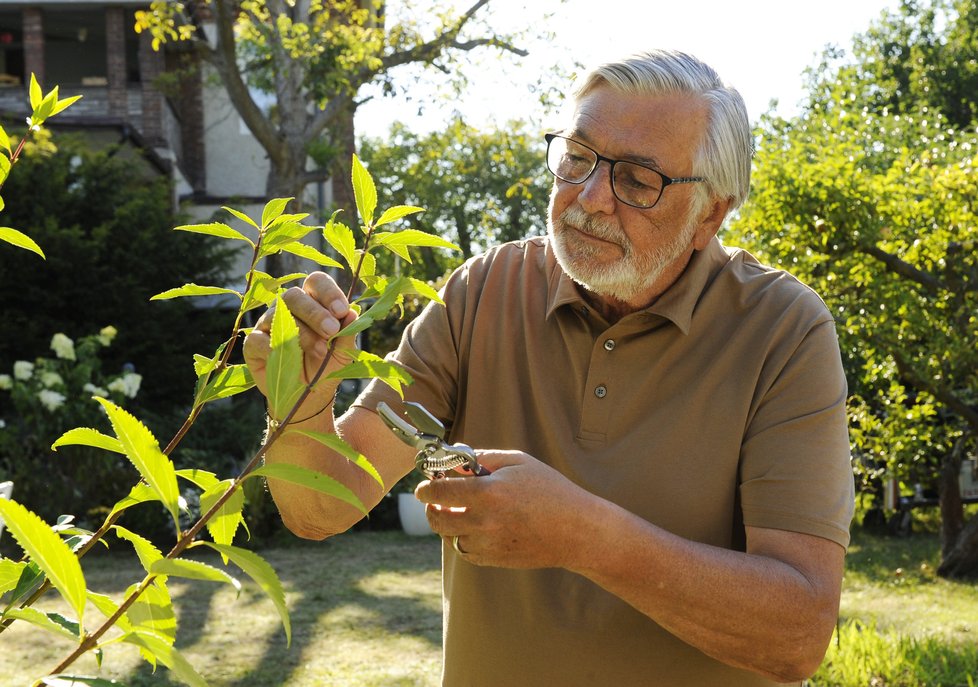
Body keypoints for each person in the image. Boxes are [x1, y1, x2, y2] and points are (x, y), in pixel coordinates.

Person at [244, 49, 855, 686]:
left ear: (710, 214)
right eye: (577, 157)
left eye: (638, 181)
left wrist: (585, 537)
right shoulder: (482, 291)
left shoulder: (783, 330)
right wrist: (300, 397)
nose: (589, 198)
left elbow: (798, 636)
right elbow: (319, 508)